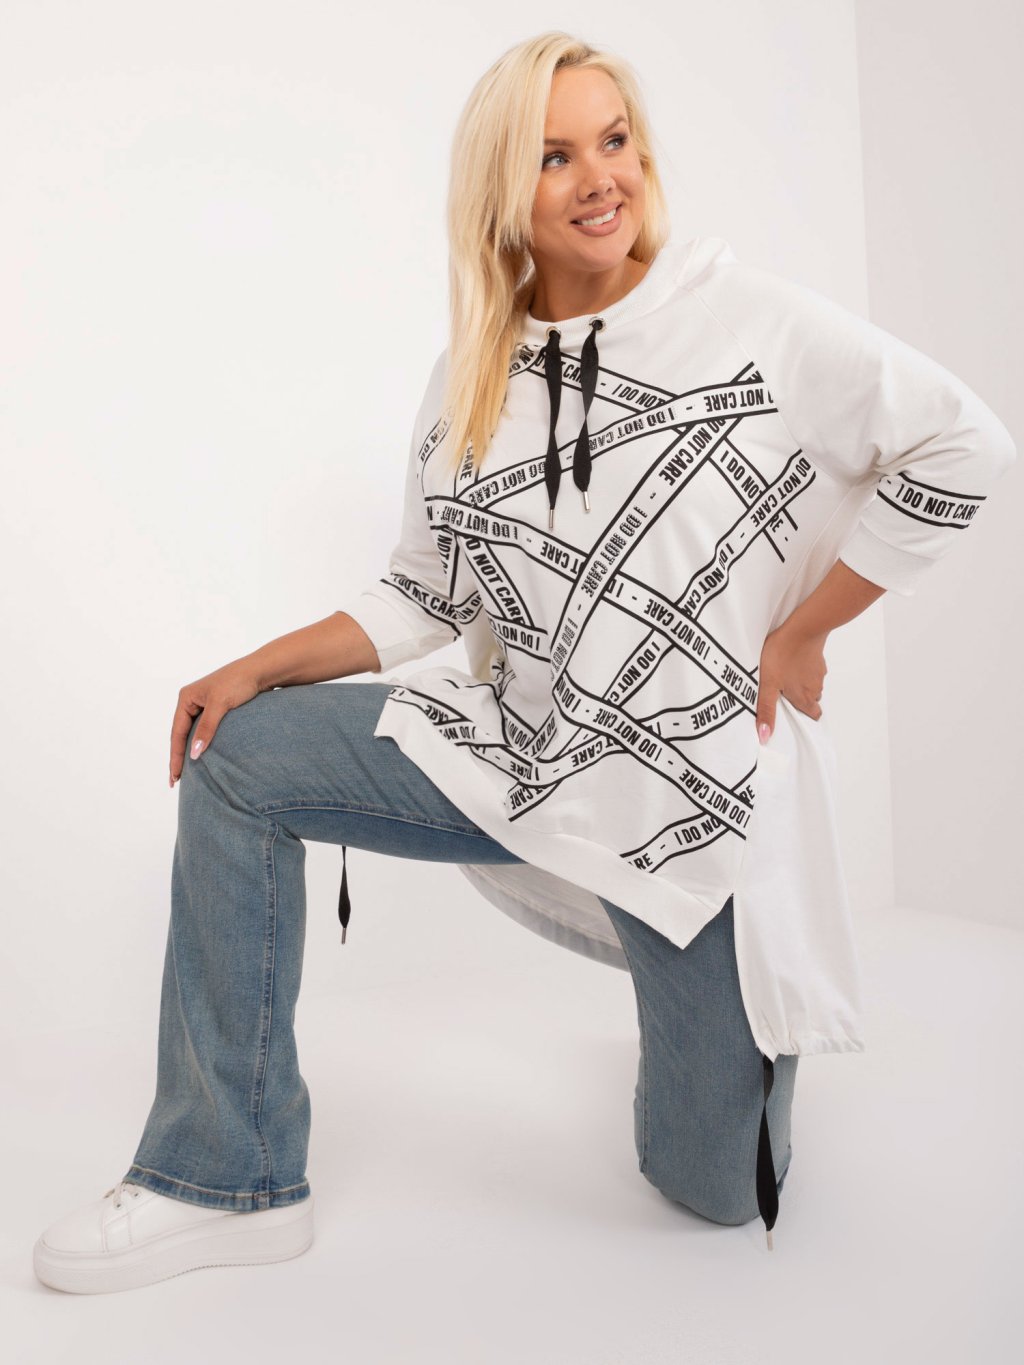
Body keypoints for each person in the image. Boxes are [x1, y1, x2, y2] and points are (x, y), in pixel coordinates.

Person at [34, 30, 1016, 1293]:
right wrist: (255, 668)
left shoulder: (749, 324)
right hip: (510, 753)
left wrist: (804, 628)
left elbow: (963, 446)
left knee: (710, 1188)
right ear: (503, 189)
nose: (599, 178)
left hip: (681, 801)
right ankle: (224, 1175)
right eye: (554, 156)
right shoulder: (472, 373)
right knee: (241, 757)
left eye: (614, 141)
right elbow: (425, 588)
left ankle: (734, 1032)